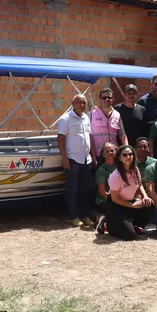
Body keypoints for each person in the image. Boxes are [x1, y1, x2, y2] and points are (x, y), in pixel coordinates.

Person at [57, 94, 94, 227]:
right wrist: (65, 158)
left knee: (84, 189)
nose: (82, 105)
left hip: (86, 159)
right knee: (72, 189)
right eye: (80, 103)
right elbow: (60, 139)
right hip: (72, 159)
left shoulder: (86, 117)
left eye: (84, 103)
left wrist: (93, 156)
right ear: (73, 103)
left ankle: (84, 215)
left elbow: (89, 137)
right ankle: (74, 216)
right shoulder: (65, 119)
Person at [106, 144, 154, 240]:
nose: (128, 157)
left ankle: (136, 225)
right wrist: (132, 205)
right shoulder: (115, 176)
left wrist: (145, 196)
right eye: (124, 155)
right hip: (117, 205)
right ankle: (106, 224)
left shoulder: (135, 169)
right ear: (119, 158)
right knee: (130, 236)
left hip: (130, 201)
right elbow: (115, 198)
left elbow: (139, 185)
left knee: (149, 203)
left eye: (130, 154)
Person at [90, 88, 127, 165]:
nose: (107, 99)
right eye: (104, 97)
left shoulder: (117, 114)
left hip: (113, 154)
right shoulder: (92, 113)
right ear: (100, 99)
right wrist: (92, 155)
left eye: (109, 97)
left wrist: (126, 149)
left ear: (113, 99)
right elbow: (88, 136)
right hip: (98, 155)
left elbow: (122, 135)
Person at [93, 142, 117, 234]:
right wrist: (117, 200)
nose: (110, 153)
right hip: (105, 199)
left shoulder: (120, 167)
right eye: (107, 151)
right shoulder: (101, 170)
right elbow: (102, 192)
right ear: (103, 154)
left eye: (112, 150)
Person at [115, 84, 147, 148]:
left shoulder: (141, 109)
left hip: (137, 146)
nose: (131, 95)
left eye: (133, 93)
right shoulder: (117, 108)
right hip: (121, 145)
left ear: (137, 94)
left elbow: (144, 129)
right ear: (124, 94)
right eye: (128, 93)